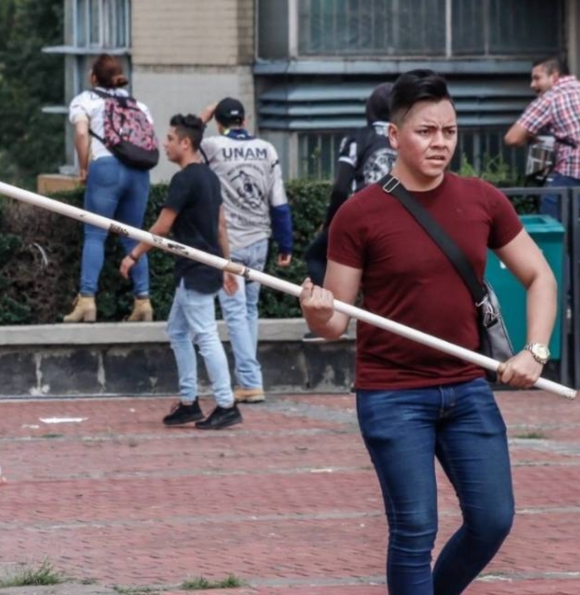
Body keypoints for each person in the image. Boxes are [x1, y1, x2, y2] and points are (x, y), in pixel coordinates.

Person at [299, 70, 557, 595]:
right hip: (391, 395)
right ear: (394, 135)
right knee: (413, 528)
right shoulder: (359, 214)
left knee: (493, 518)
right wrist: (316, 312)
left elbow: (540, 277)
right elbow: (337, 321)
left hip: (467, 388)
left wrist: (536, 350)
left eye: (450, 131)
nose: (440, 142)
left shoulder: (482, 200)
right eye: (426, 131)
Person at [120, 115, 242, 431]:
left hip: (195, 271)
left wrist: (133, 255)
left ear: (185, 143)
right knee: (177, 331)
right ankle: (189, 403)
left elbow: (162, 226)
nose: (165, 144)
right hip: (206, 268)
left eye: (171, 138)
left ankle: (227, 405)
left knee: (205, 335)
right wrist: (226, 265)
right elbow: (221, 225)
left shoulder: (185, 179)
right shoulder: (210, 178)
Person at [197, 97, 293, 404]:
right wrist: (286, 242)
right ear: (245, 120)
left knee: (236, 314)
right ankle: (251, 379)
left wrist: (202, 117)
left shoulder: (213, 146)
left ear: (219, 122)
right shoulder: (267, 149)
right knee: (249, 311)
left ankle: (251, 381)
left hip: (231, 243)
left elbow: (186, 145)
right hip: (260, 241)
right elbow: (279, 200)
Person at [302, 82, 396, 342]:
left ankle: (330, 317)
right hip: (402, 219)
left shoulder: (357, 138)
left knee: (316, 256)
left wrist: (330, 223)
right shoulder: (407, 138)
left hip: (363, 219)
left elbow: (341, 187)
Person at [65, 54, 155, 323]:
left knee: (95, 234)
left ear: (94, 77)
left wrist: (84, 167)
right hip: (139, 172)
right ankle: (143, 302)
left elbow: (82, 134)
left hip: (106, 168)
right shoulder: (138, 105)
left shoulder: (86, 100)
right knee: (134, 236)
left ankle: (87, 301)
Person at [504, 56, 580, 220]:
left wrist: (532, 137)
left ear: (554, 76)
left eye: (537, 78)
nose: (532, 85)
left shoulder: (551, 97)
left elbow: (513, 138)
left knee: (553, 233)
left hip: (573, 175)